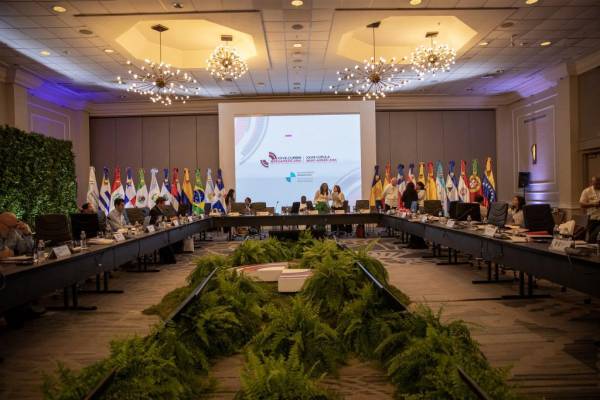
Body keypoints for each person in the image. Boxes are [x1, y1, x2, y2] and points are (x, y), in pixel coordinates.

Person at [580, 176, 600, 242]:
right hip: (592, 218)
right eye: (596, 184)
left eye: (599, 183)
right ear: (592, 183)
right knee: (592, 239)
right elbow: (582, 204)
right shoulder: (586, 191)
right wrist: (593, 204)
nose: (598, 185)